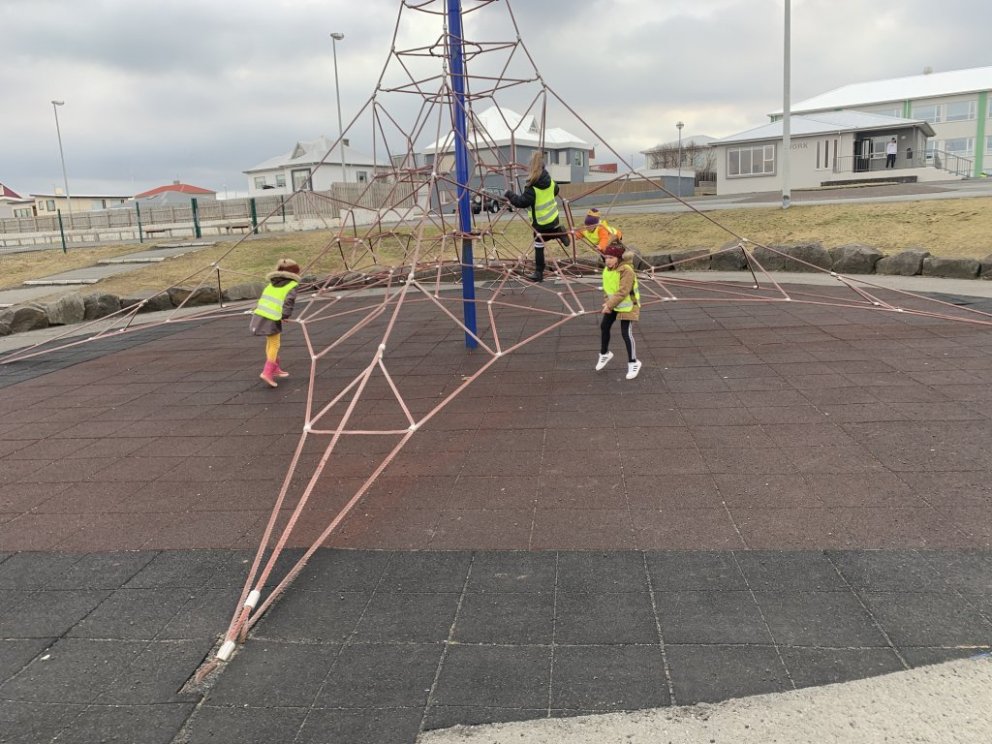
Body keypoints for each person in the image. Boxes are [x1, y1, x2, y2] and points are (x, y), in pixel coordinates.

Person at [504, 152, 570, 282]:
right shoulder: (550, 182)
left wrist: (509, 194)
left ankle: (539, 272)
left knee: (539, 244)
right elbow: (556, 190)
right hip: (553, 219)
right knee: (545, 236)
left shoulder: (532, 187)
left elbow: (522, 202)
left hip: (540, 223)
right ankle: (558, 232)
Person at [250, 258, 301, 388]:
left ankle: (275, 368)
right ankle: (267, 372)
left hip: (261, 314)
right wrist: (285, 315)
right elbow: (289, 301)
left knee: (270, 342)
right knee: (274, 344)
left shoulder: (272, 283)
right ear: (295, 272)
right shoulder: (291, 285)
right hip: (272, 317)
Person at [596, 243, 642, 380]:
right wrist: (607, 302)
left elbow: (623, 291)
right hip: (615, 304)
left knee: (626, 333)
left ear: (618, 258)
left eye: (611, 258)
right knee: (604, 326)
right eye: (606, 257)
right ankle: (605, 354)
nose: (607, 260)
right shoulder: (607, 270)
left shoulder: (626, 270)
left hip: (629, 305)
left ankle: (633, 362)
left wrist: (609, 305)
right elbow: (608, 289)